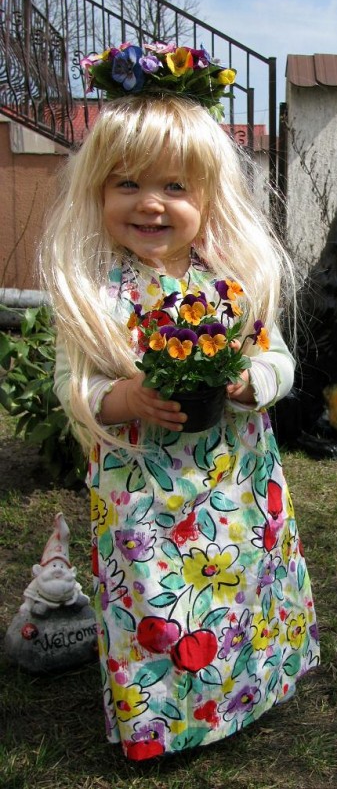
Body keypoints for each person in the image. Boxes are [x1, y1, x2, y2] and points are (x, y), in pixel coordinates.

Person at [40, 53, 320, 761]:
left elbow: (278, 359)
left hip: (234, 484)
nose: (151, 203)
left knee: (237, 594)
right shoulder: (97, 292)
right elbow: (72, 386)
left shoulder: (230, 282)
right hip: (145, 499)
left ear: (208, 197)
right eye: (126, 184)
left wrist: (250, 384)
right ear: (97, 192)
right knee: (161, 607)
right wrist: (121, 396)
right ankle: (162, 724)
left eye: (174, 186)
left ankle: (245, 691)